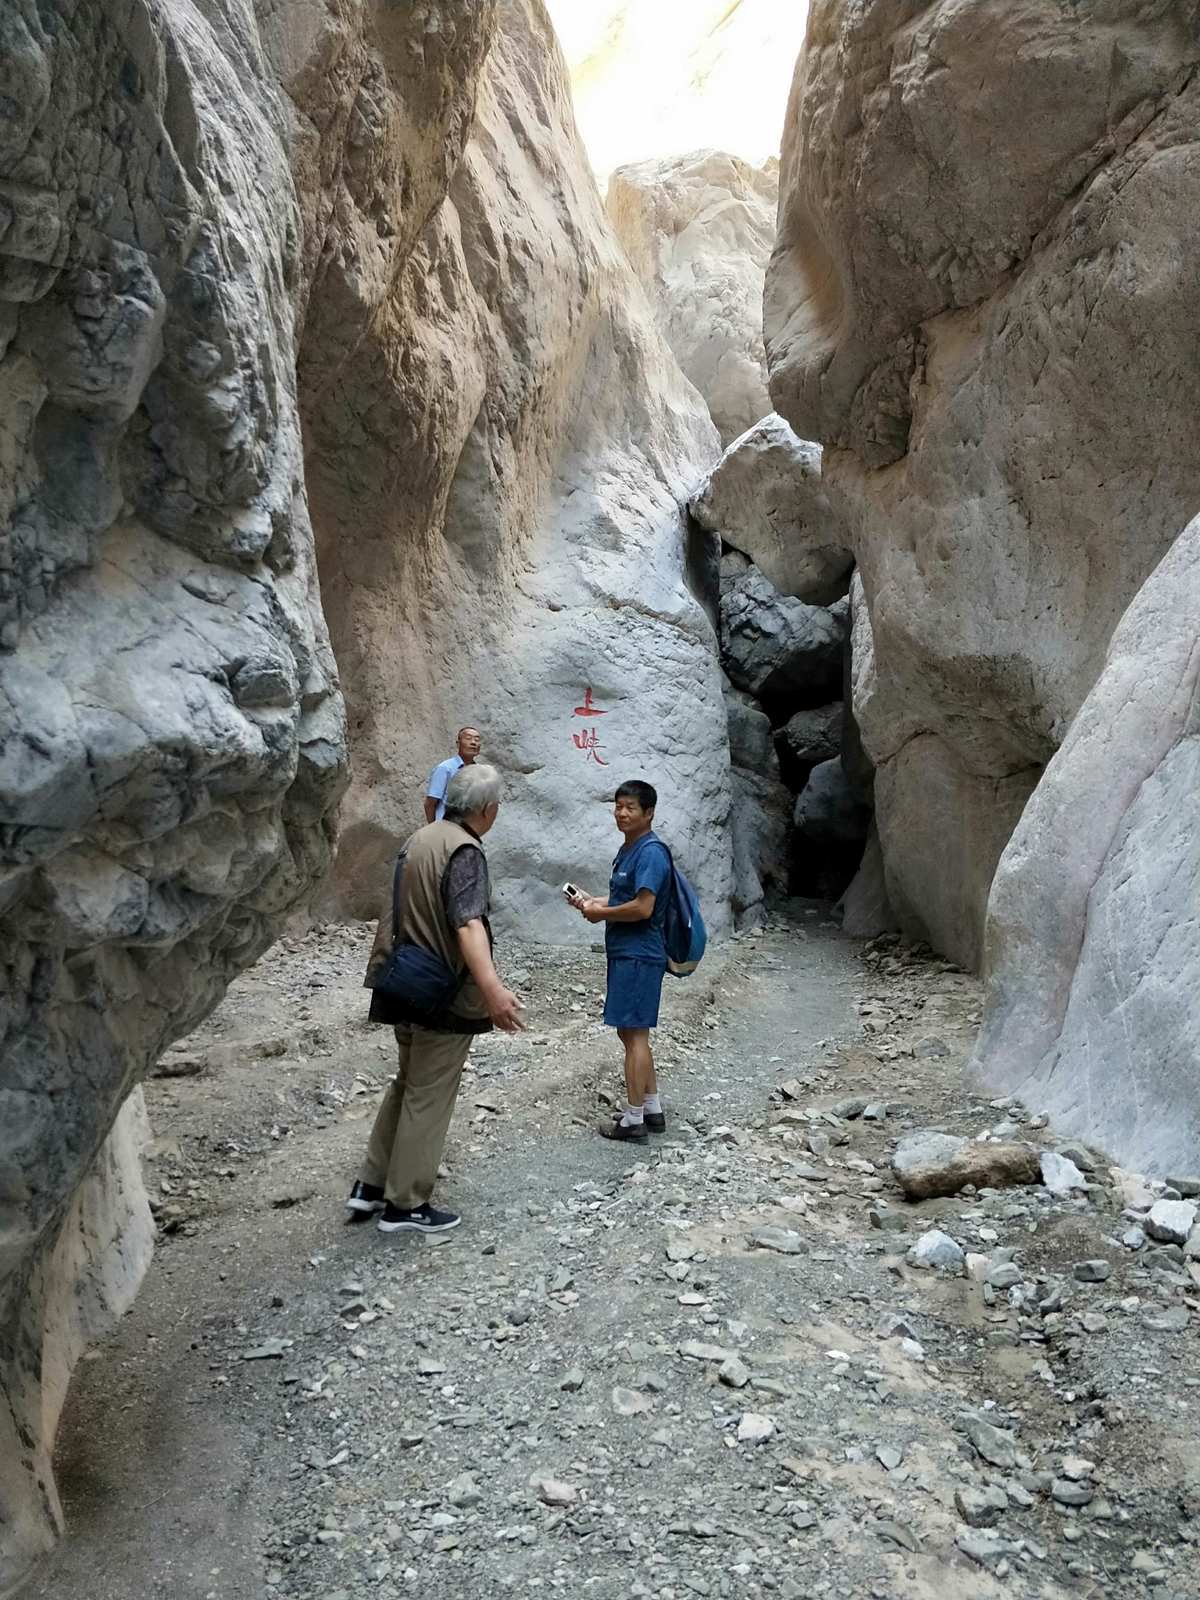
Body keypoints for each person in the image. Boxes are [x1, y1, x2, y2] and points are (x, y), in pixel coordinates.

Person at [348, 762, 524, 1233]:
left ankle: (371, 1187)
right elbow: (467, 924)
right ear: (487, 809)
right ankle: (405, 1205)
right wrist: (493, 992)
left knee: (406, 1083)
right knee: (428, 1094)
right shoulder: (464, 850)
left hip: (400, 977)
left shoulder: (419, 838)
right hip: (438, 989)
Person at [570, 780, 671, 1142]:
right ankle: (652, 1107)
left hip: (639, 954)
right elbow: (622, 896)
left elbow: (644, 907)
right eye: (618, 806)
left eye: (630, 807)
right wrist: (592, 901)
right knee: (632, 1031)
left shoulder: (651, 852)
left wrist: (602, 914)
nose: (622, 813)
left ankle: (633, 1120)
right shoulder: (630, 849)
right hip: (629, 953)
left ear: (649, 813)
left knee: (635, 1033)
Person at [424, 727, 482, 822]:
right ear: (458, 744)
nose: (473, 742)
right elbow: (430, 804)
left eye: (477, 739)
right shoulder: (445, 768)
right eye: (468, 738)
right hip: (445, 828)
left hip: (469, 830)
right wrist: (434, 829)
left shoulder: (479, 771)